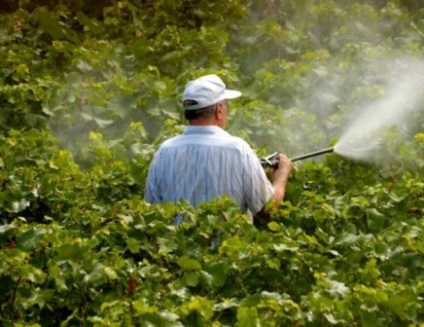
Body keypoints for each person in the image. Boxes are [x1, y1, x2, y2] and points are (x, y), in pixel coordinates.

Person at [144, 74, 292, 220]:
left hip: (176, 243)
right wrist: (281, 176)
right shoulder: (238, 150)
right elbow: (268, 210)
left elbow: (150, 213)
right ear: (219, 110)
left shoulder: (164, 151)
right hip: (227, 244)